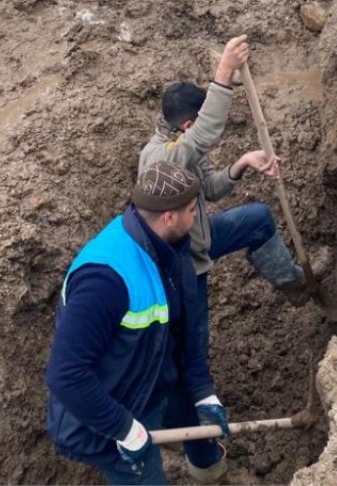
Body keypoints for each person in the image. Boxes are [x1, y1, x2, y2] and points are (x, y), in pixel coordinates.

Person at [138, 35, 334, 352]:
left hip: (200, 233)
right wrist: (225, 71)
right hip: (182, 261)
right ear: (188, 124)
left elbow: (212, 190)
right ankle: (195, 395)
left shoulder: (182, 145)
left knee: (257, 219)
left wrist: (242, 163)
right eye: (196, 125)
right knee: (193, 343)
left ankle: (294, 284)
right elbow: (207, 132)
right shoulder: (162, 157)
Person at [45, 161, 231, 486]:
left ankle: (211, 474)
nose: (198, 217)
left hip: (153, 379)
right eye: (193, 210)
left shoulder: (172, 251)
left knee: (191, 412)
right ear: (169, 217)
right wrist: (124, 429)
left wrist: (203, 392)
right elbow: (66, 375)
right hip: (114, 409)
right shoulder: (105, 279)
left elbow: (184, 333)